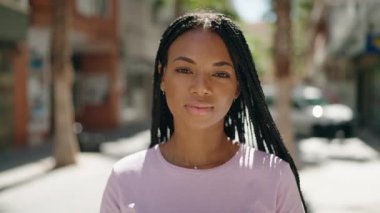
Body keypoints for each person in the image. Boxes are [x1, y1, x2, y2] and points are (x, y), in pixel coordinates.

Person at [100, 12, 307, 213]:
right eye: (184, 70)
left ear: (237, 86)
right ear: (162, 76)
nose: (201, 87)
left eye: (220, 73)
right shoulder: (124, 179)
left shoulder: (275, 178)